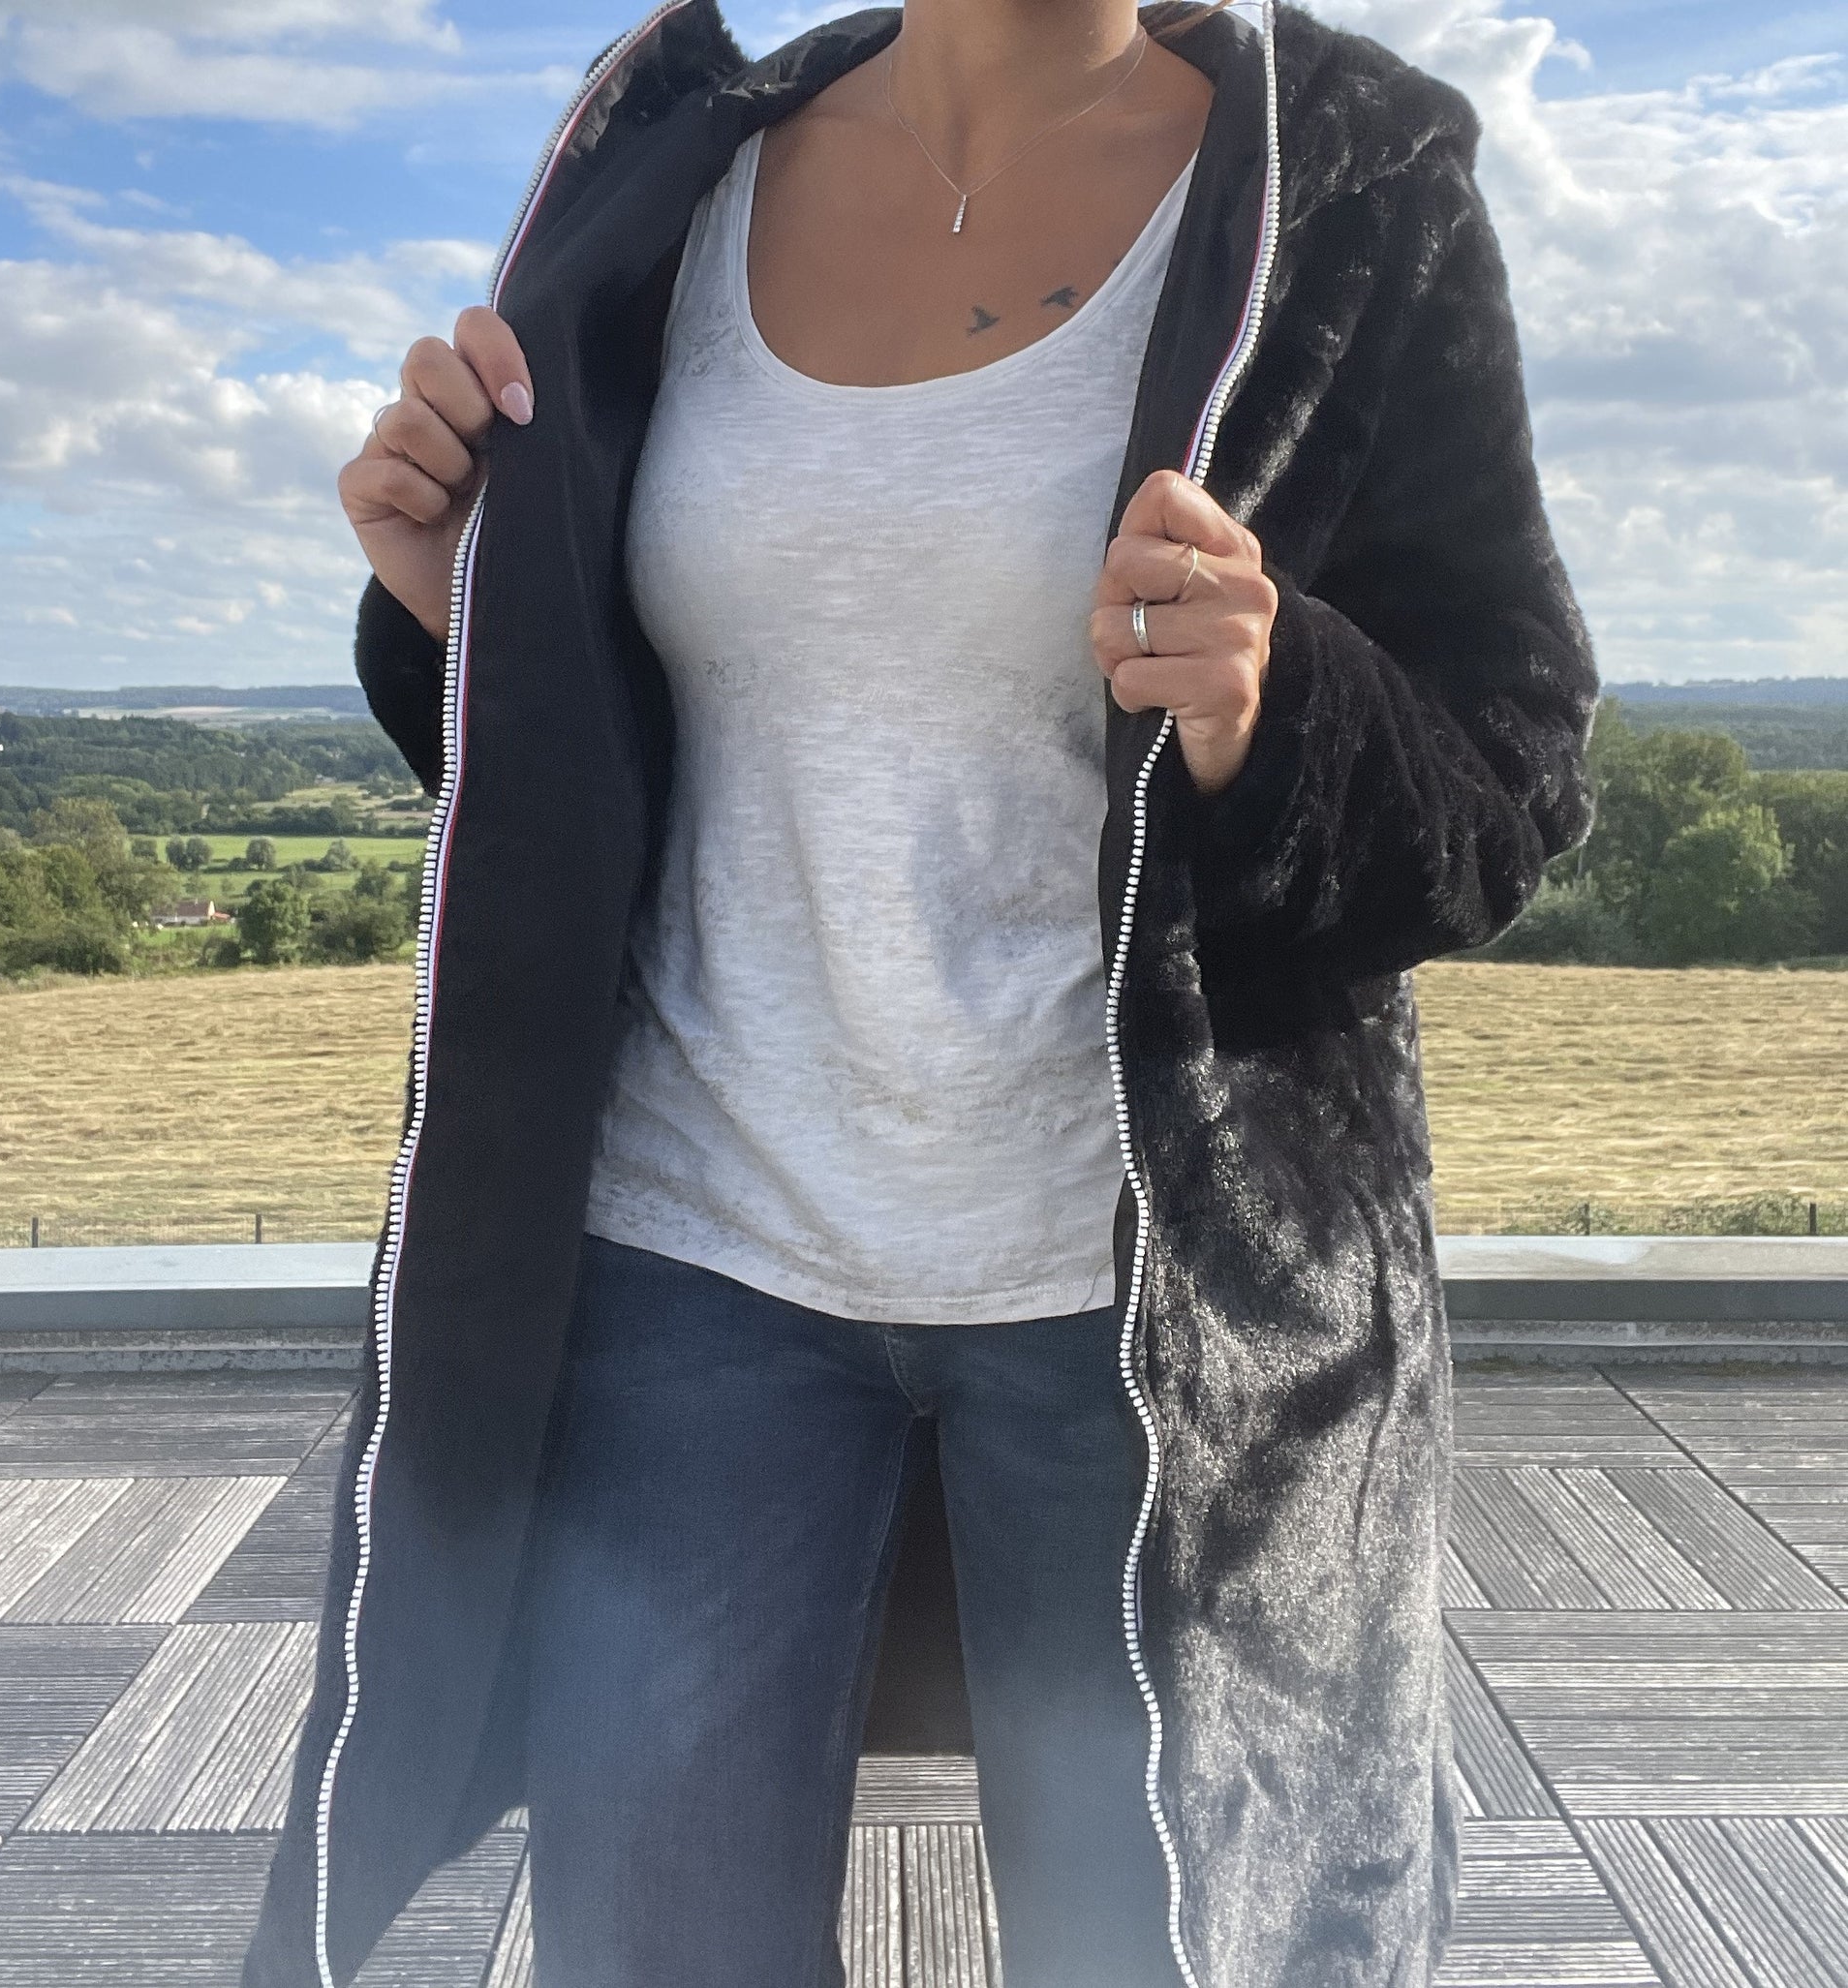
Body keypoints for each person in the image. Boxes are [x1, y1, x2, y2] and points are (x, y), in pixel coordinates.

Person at [242, 3, 1597, 1985]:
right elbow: (617, 759)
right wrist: (468, 606)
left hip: (1148, 1306)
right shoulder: (681, 165)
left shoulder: (1349, 180)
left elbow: (1511, 769)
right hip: (689, 1255)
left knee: (1167, 1949)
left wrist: (1273, 700)